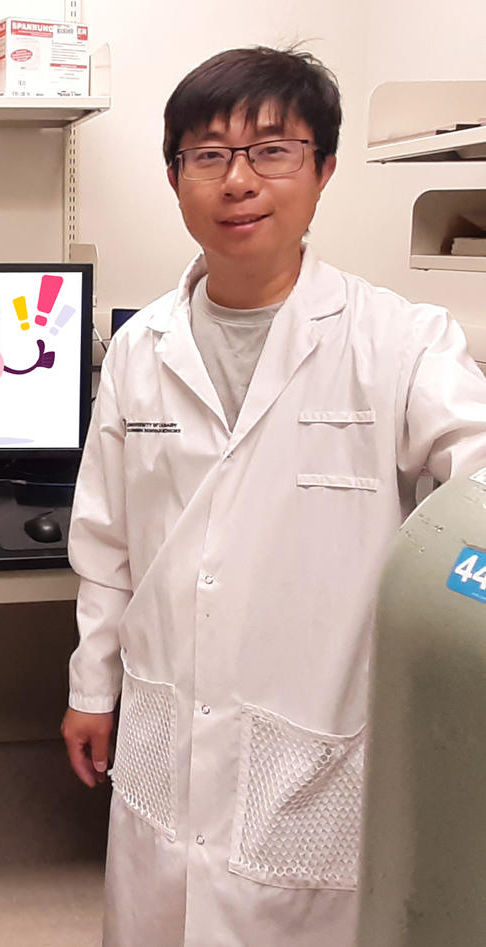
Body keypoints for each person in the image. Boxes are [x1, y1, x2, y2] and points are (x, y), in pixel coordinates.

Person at [61, 46, 486, 946]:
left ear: (323, 169)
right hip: (165, 721)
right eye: (208, 154)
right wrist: (91, 685)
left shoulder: (401, 344)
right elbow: (105, 543)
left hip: (318, 739)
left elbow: (474, 487)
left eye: (272, 151)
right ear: (176, 176)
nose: (238, 181)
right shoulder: (141, 348)